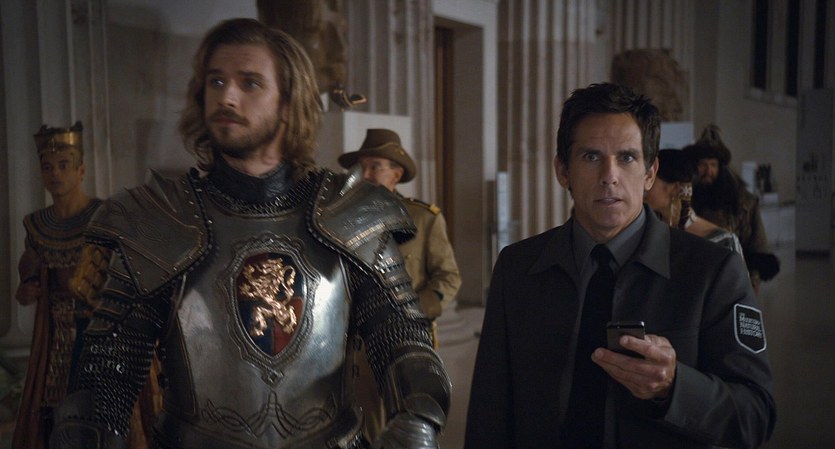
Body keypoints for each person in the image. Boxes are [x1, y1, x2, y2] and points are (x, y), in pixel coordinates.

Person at [49, 18, 449, 449]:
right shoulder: (158, 219)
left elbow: (404, 341)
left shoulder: (353, 213)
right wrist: (83, 432)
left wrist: (418, 417)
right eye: (216, 81)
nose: (227, 96)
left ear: (288, 103)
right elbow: (107, 374)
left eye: (250, 83)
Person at [464, 83, 776, 448]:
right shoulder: (518, 268)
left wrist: (674, 386)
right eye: (591, 156)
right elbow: (489, 410)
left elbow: (755, 414)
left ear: (650, 173)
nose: (609, 175)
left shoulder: (712, 272)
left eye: (626, 157)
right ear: (563, 170)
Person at [338, 128, 461, 441]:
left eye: (375, 166)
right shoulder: (341, 221)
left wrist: (411, 314)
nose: (366, 174)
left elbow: (448, 277)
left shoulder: (422, 219)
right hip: (352, 348)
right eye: (362, 166)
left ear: (397, 173)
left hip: (402, 345)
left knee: (403, 430)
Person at [12, 121, 103, 449]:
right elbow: (29, 277)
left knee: (96, 408)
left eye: (64, 165)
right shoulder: (37, 225)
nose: (55, 174)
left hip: (97, 329)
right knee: (54, 410)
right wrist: (26, 290)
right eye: (48, 167)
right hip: (54, 334)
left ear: (81, 171)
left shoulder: (103, 216)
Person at [683, 124, 779, 291]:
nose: (708, 171)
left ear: (720, 168)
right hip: (695, 279)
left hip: (734, 279)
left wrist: (752, 285)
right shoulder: (685, 200)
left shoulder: (743, 202)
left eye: (712, 165)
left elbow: (757, 246)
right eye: (703, 164)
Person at [645, 148, 744, 255]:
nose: (644, 186)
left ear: (675, 188)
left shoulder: (724, 242)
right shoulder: (645, 233)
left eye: (651, 179)